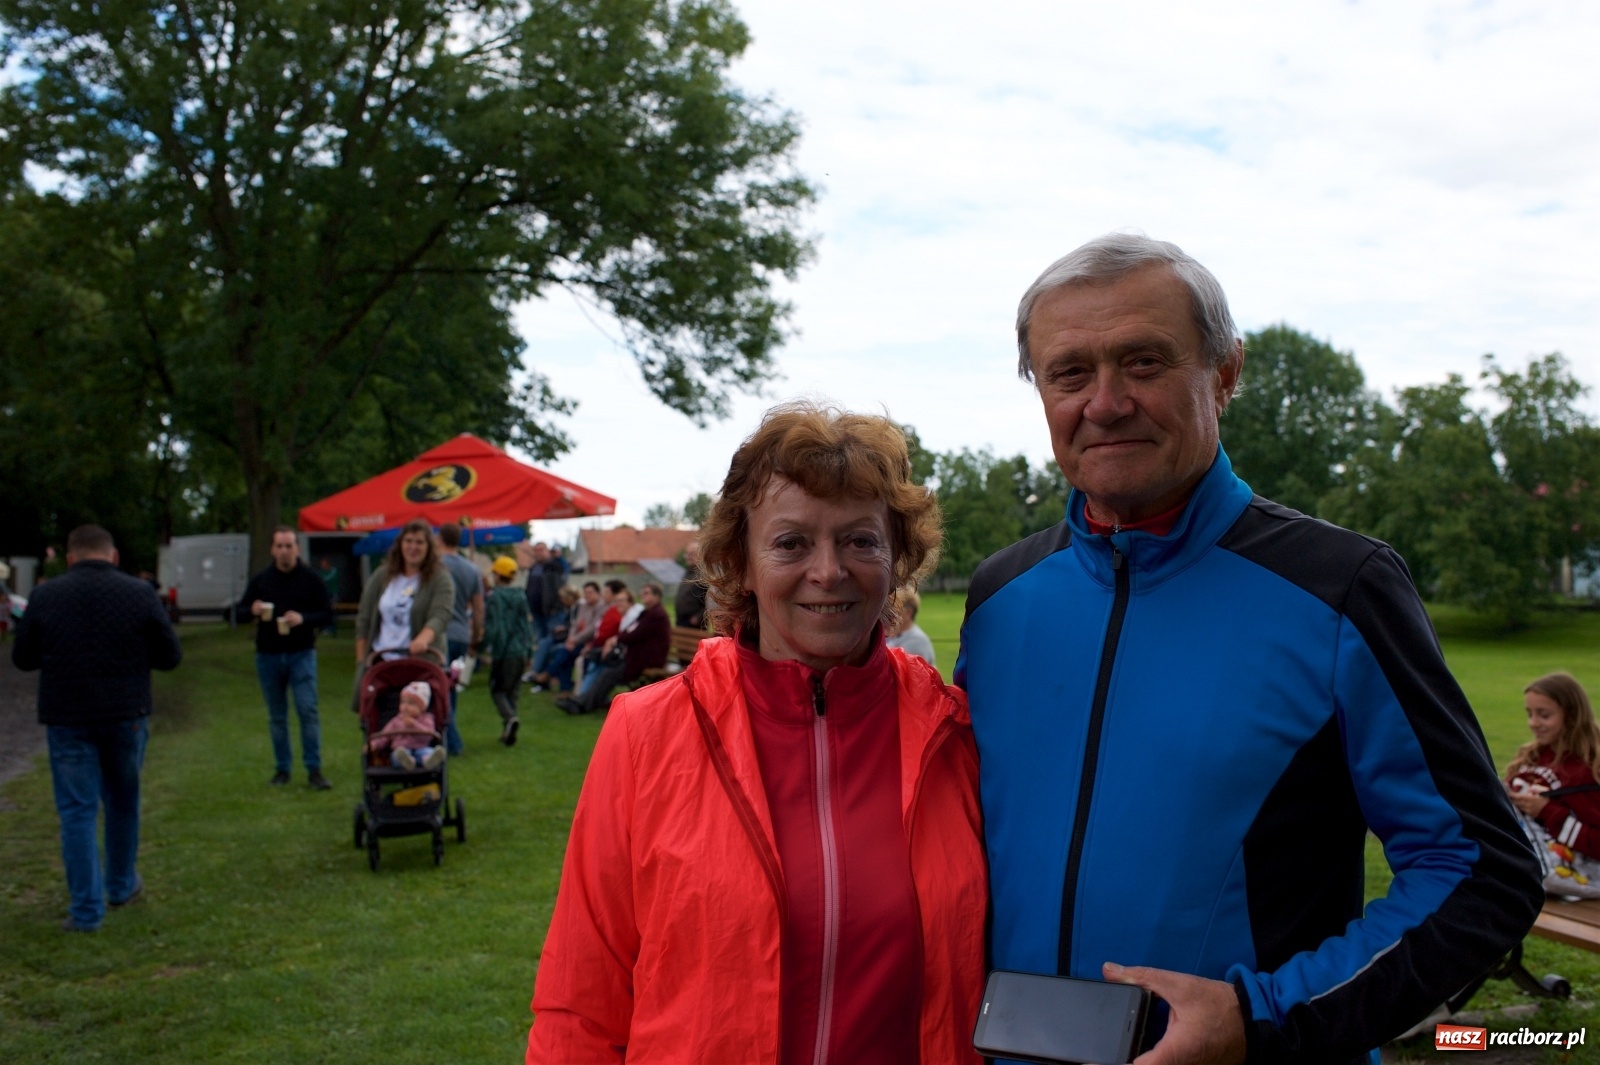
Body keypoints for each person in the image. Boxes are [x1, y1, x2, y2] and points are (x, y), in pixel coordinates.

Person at [957, 233, 1541, 1061]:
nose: (1107, 401)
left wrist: (1263, 1016)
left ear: (1225, 372)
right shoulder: (999, 597)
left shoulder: (1340, 586)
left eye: (1145, 362)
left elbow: (1480, 868)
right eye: (1071, 372)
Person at [529, 401, 986, 1063]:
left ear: (898, 558)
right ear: (740, 560)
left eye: (860, 539)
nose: (828, 570)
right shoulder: (644, 734)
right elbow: (581, 997)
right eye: (792, 542)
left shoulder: (954, 733)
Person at [12, 525, 181, 932]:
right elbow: (170, 655)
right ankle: (121, 885)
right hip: (126, 713)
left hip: (68, 716)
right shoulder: (139, 594)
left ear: (70, 558)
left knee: (77, 812)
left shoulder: (46, 595)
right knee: (123, 802)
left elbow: (23, 658)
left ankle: (86, 911)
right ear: (114, 556)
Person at [241, 527, 336, 789]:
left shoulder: (311, 579)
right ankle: (282, 769)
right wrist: (252, 609)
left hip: (301, 654)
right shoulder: (262, 581)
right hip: (268, 655)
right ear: (272, 550)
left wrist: (303, 618)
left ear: (297, 549)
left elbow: (327, 615)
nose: (284, 551)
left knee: (307, 710)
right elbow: (235, 612)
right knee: (277, 716)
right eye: (279, 546)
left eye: (288, 546)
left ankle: (314, 770)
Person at [1505, 672, 1600, 897]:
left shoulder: (1589, 770)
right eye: (1530, 714)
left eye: (1544, 715)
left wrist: (1546, 811)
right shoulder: (1531, 756)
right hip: (1519, 871)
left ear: (1572, 715)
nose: (1533, 723)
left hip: (1569, 880)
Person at [353, 519, 454, 707]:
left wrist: (423, 638)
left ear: (428, 547)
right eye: (408, 541)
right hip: (382, 662)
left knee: (424, 723)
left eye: (419, 542)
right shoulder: (382, 576)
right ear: (400, 545)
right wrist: (362, 661)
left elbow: (440, 615)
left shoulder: (440, 578)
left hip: (419, 663)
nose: (413, 547)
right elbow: (364, 618)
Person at [552, 582, 668, 715]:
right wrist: (615, 640)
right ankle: (583, 701)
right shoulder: (650, 613)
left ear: (657, 596)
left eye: (647, 593)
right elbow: (630, 633)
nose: (643, 595)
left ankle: (581, 703)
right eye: (642, 593)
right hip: (637, 656)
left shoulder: (656, 615)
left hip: (647, 660)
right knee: (603, 666)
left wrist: (614, 640)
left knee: (608, 672)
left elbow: (635, 634)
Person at [436, 523, 484, 756]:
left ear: (439, 539)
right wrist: (476, 635)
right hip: (462, 635)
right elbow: (478, 607)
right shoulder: (471, 569)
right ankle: (446, 736)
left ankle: (450, 741)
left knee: (438, 689)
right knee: (451, 688)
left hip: (439, 635)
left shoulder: (435, 566)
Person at [482, 555, 533, 745]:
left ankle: (510, 719)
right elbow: (527, 626)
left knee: (497, 690)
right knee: (513, 691)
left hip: (503, 652)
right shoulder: (521, 595)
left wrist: (480, 647)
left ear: (497, 575)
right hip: (521, 650)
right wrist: (529, 652)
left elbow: (493, 628)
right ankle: (508, 732)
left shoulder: (495, 598)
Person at [533, 580, 604, 694]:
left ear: (598, 593)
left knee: (564, 653)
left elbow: (592, 629)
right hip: (577, 641)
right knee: (564, 652)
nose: (587, 595)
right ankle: (563, 688)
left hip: (589, 643)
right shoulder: (584, 606)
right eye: (585, 593)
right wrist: (571, 638)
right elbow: (575, 625)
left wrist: (574, 640)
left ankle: (549, 675)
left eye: (590, 593)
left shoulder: (601, 608)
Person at [366, 680, 446, 770]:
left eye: (411, 703)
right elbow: (385, 735)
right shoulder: (396, 720)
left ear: (422, 707)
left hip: (421, 747)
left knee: (428, 752)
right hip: (402, 748)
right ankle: (407, 762)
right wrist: (374, 744)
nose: (405, 706)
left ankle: (429, 761)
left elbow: (428, 736)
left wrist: (413, 724)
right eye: (403, 702)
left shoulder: (426, 719)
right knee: (397, 755)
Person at [885, 589, 936, 666]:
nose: (889, 613)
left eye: (894, 609)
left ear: (908, 612)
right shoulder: (889, 634)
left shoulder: (917, 641)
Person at [674, 539, 708, 628]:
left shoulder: (704, 575)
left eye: (691, 554)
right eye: (687, 554)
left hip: (694, 623)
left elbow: (709, 601)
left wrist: (699, 617)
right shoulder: (688, 572)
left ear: (700, 555)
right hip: (681, 620)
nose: (688, 557)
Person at [316, 557, 341, 634]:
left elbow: (327, 579)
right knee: (322, 610)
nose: (322, 566)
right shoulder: (321, 572)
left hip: (333, 594)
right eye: (321, 564)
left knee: (332, 610)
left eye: (324, 564)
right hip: (324, 594)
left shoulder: (334, 571)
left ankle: (331, 628)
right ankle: (324, 628)